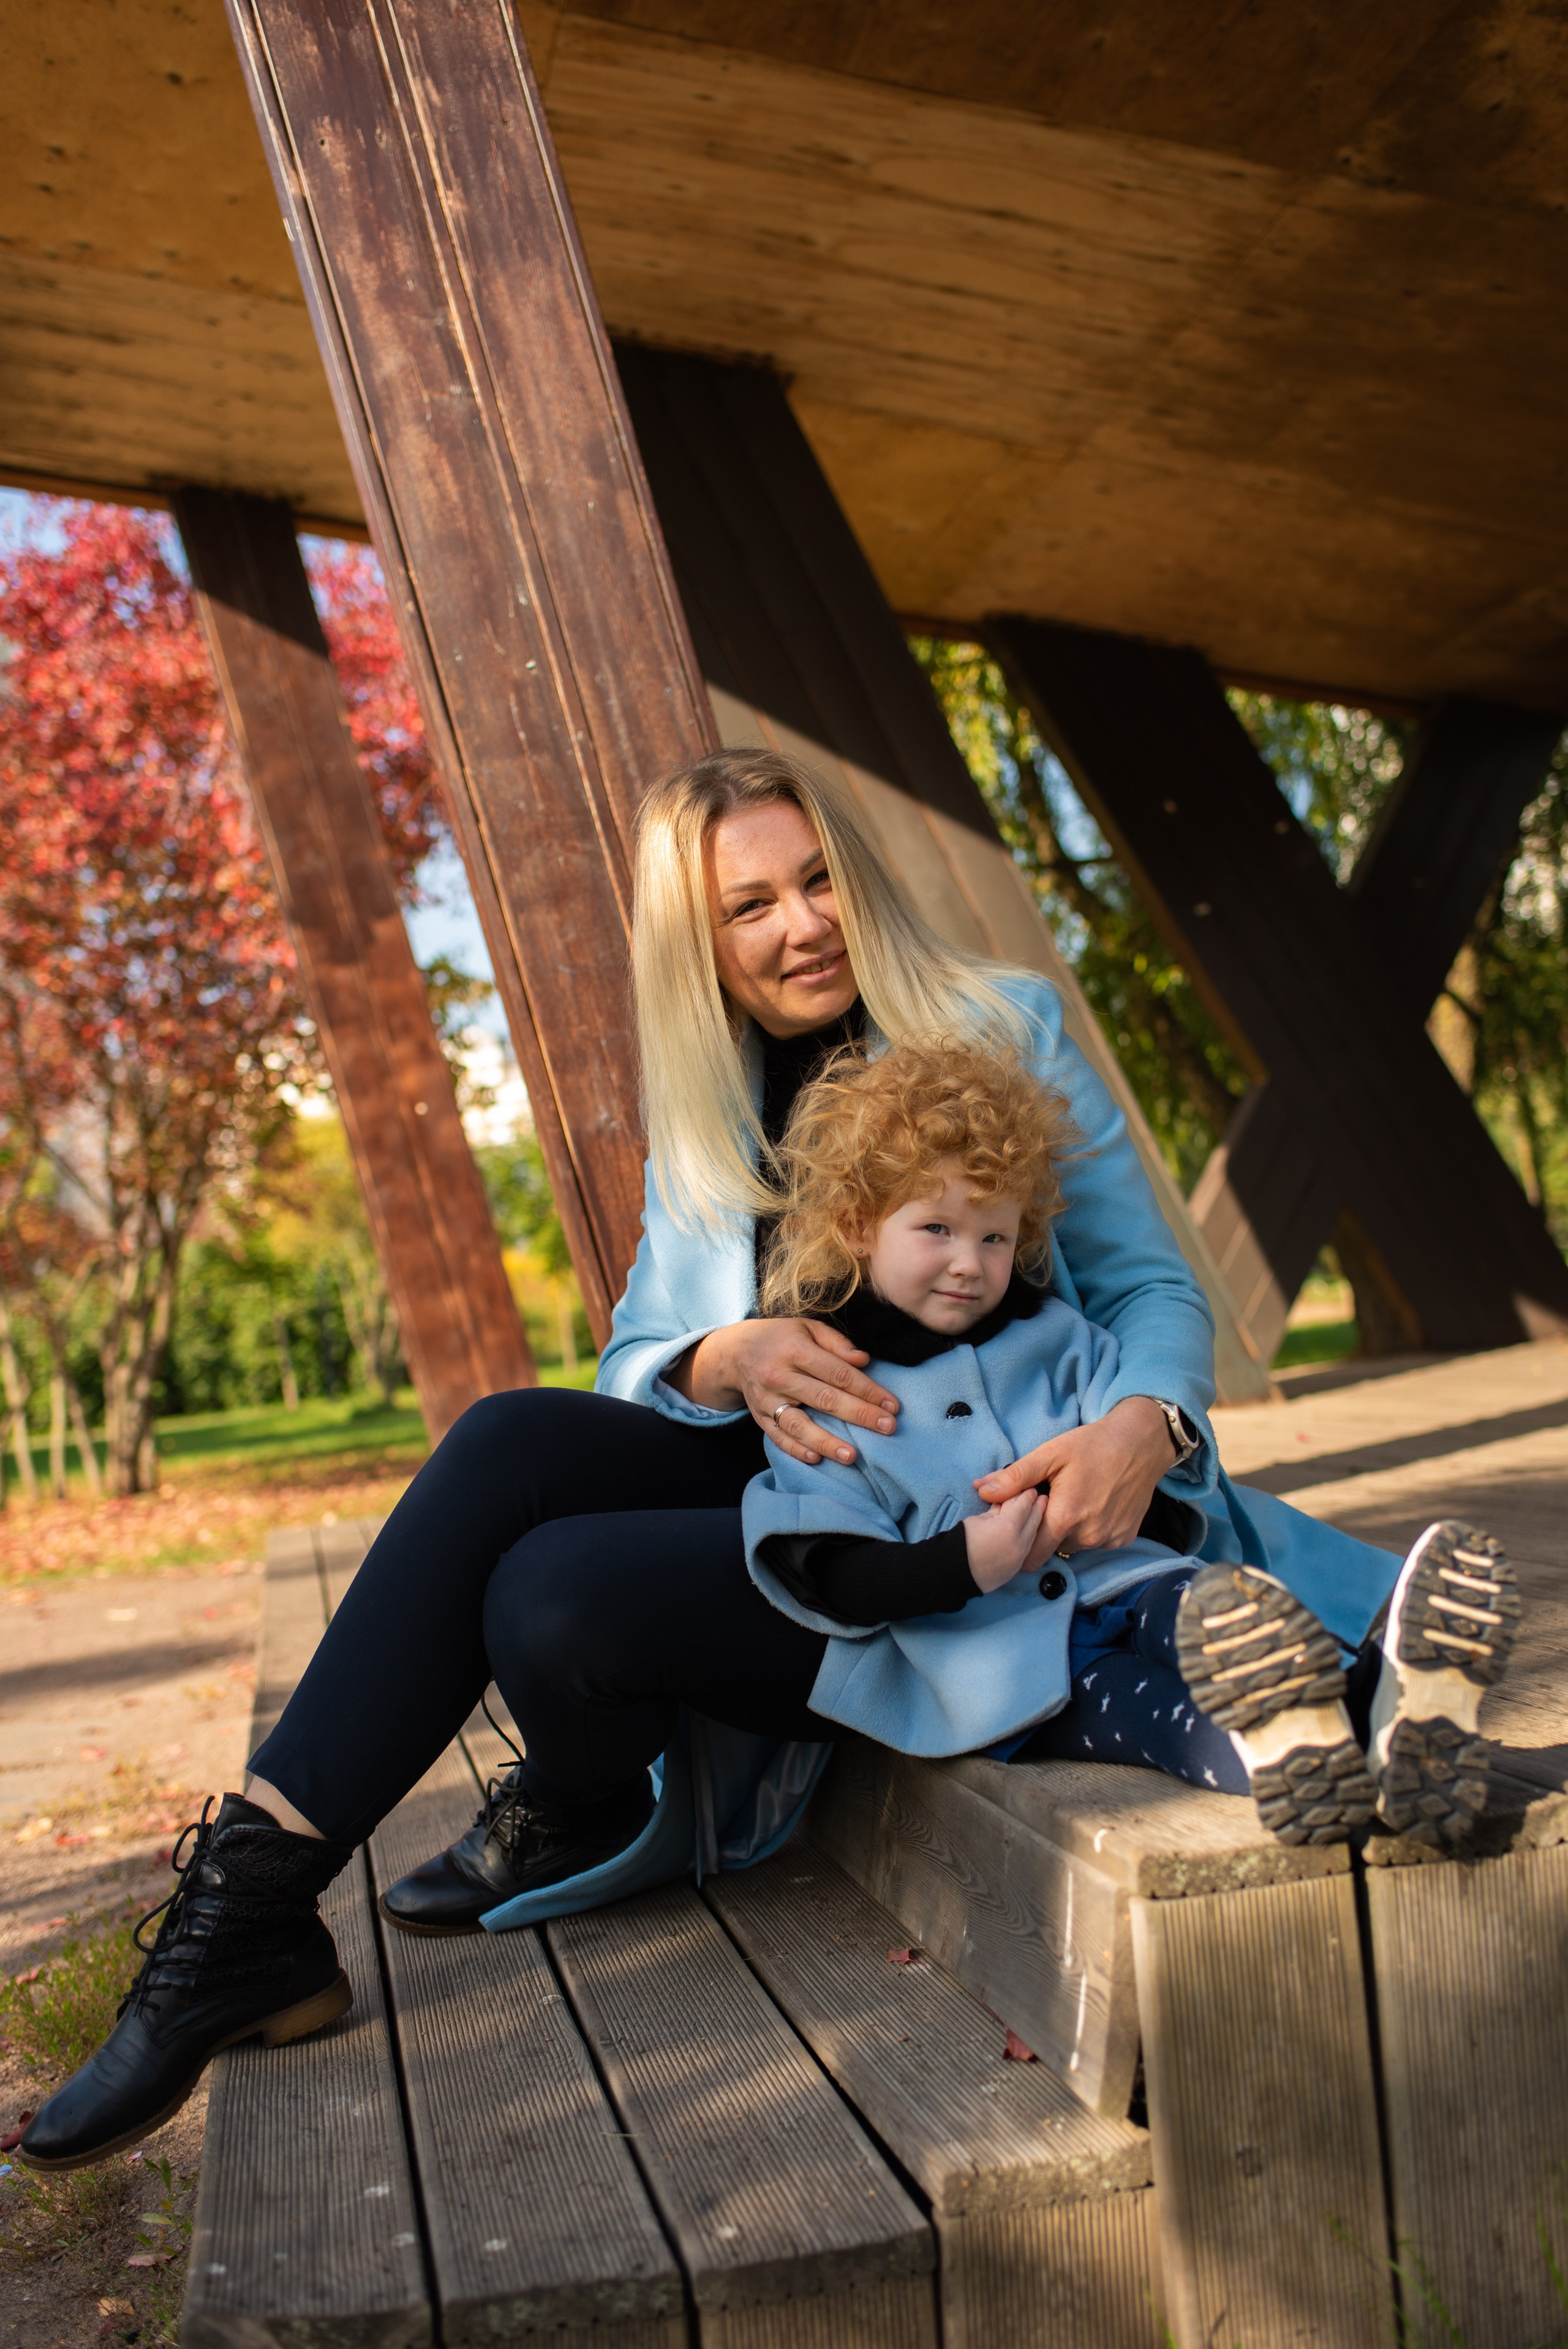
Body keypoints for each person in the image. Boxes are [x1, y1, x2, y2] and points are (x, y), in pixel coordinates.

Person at [13, 745, 1456, 2174]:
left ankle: (541, 1816)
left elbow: (1151, 1290)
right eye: (748, 906)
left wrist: (1145, 1425)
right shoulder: (710, 1103)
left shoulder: (1001, 1024)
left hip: (977, 1502)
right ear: (698, 941)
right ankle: (248, 1908)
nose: (799, 924)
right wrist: (724, 1358)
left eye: (817, 878)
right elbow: (641, 1351)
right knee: (511, 1439)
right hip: (811, 1489)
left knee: (553, 1599)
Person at [742, 1034, 1517, 1846]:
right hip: (999, 1663)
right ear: (860, 1227)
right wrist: (964, 1561)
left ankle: (1385, 1708)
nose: (969, 1263)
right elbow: (833, 1573)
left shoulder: (1061, 1338)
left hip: (1133, 1583)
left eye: (995, 1237)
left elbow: (1162, 1485)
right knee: (1153, 1717)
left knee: (1211, 1616)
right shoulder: (827, 1397)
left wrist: (1126, 1483)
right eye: (936, 1228)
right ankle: (1329, 1750)